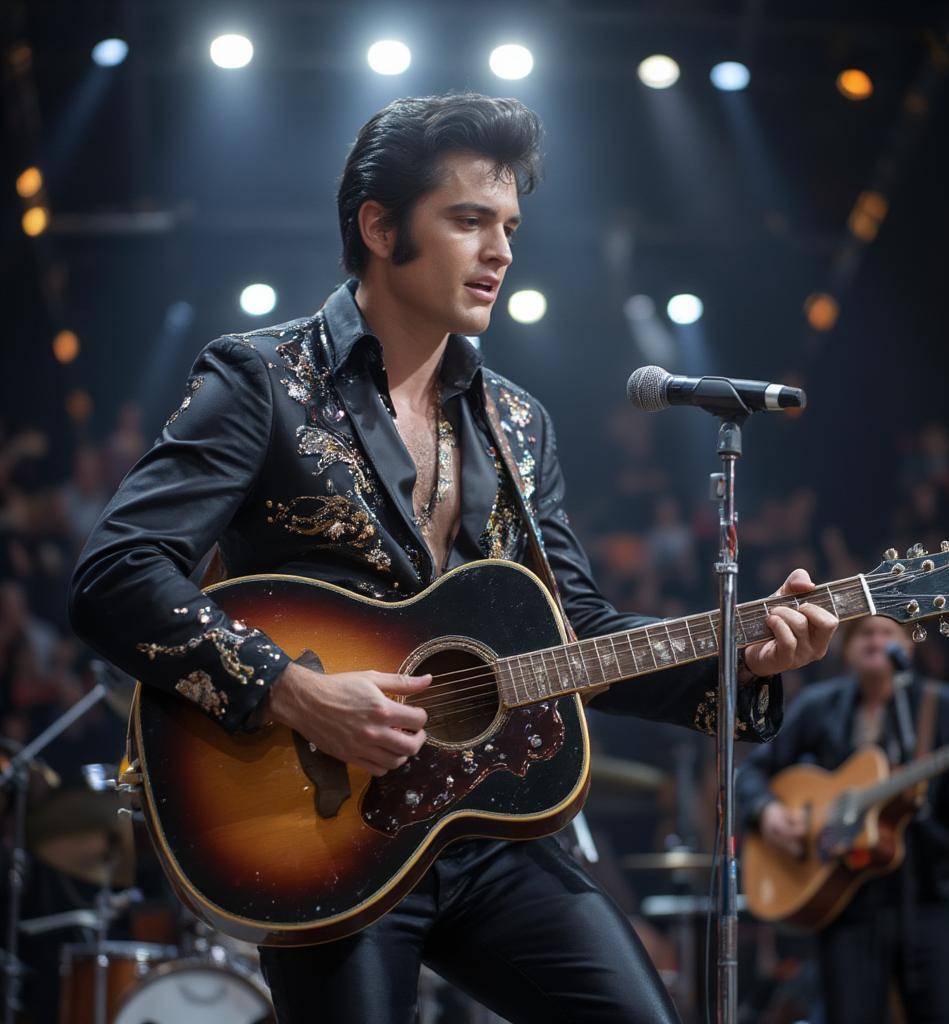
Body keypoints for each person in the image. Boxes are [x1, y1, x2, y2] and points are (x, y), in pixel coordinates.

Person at [69, 93, 838, 1023]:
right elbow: (117, 572)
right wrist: (298, 693)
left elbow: (579, 633)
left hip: (490, 827)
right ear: (380, 226)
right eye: (469, 220)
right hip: (325, 829)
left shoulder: (517, 422)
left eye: (509, 225)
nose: (502, 250)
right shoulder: (261, 380)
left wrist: (742, 653)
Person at [736, 615, 949, 1024]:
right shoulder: (817, 706)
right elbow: (751, 773)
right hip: (844, 902)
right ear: (847, 647)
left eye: (888, 632)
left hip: (925, 898)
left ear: (907, 647)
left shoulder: (943, 708)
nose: (876, 640)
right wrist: (768, 812)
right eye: (865, 633)